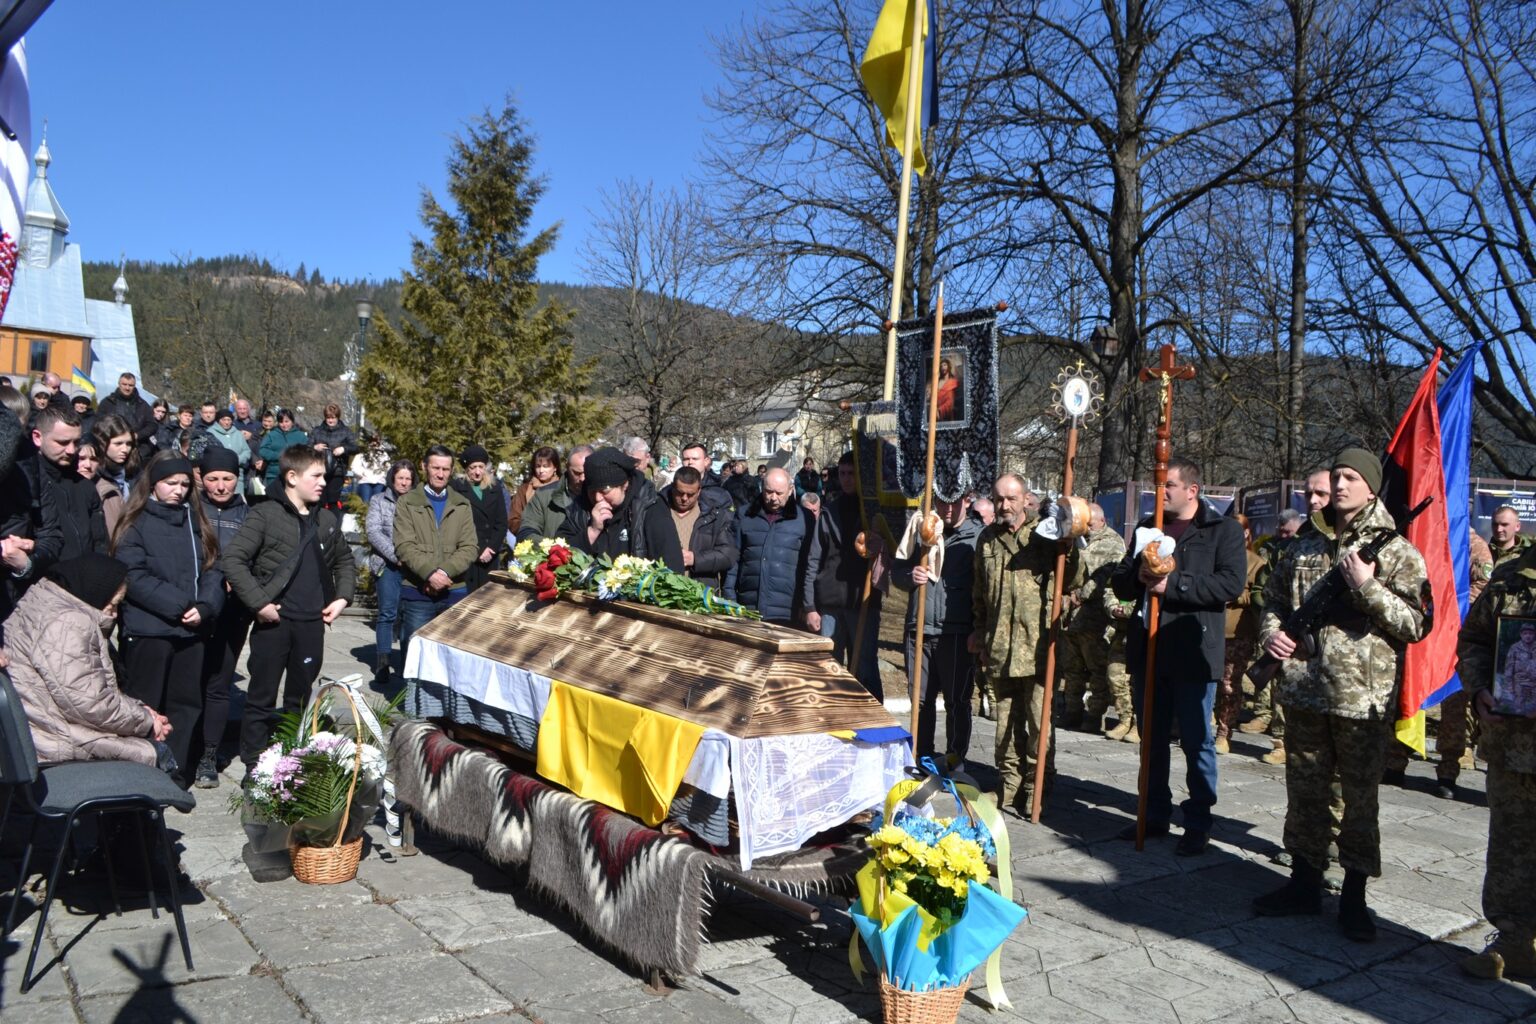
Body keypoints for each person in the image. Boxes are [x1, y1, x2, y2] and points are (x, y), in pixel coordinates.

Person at [1252, 448, 1429, 941]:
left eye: (1352, 477)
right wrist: (1273, 636)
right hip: (1306, 690)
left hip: (1362, 699)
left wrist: (1368, 588)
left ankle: (1353, 896)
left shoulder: (1395, 549)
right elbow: (1273, 601)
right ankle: (1304, 882)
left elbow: (1417, 624)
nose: (1342, 484)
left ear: (1371, 488)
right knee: (1305, 793)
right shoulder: (1305, 543)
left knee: (1359, 800)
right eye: (1337, 475)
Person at [1109, 457, 1245, 855]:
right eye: (1158, 485)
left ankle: (1198, 821)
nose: (1160, 491)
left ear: (1192, 490)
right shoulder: (1147, 528)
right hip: (1150, 648)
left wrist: (1174, 584)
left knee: (1196, 739)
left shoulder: (1222, 531)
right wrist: (1137, 577)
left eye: (1169, 485)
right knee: (1150, 738)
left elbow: (1229, 584)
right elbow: (1121, 580)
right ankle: (1153, 814)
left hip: (1193, 651)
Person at [221, 445, 354, 768]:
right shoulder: (266, 514)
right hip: (274, 624)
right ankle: (255, 765)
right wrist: (259, 603)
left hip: (312, 625)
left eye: (325, 475)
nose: (324, 482)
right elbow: (233, 560)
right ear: (292, 477)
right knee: (261, 698)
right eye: (317, 475)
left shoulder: (326, 519)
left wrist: (341, 597)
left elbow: (345, 561)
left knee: (298, 698)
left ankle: (292, 761)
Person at [112, 452, 225, 787]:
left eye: (184, 484)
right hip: (151, 629)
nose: (178, 490)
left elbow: (214, 569)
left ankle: (173, 771)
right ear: (153, 485)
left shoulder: (195, 521)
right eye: (170, 483)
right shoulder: (136, 521)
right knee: (146, 702)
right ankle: (141, 769)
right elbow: (133, 574)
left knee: (185, 703)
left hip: (191, 631)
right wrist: (181, 606)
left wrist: (206, 606)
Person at [5, 554, 172, 767]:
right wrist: (147, 722)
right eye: (113, 604)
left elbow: (85, 692)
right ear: (95, 594)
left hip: (47, 730)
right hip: (56, 743)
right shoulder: (68, 623)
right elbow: (91, 704)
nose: (113, 614)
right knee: (159, 756)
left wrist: (142, 711)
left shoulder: (44, 598)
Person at [1458, 541, 1536, 980]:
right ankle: (1513, 941)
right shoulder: (1509, 579)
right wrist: (1478, 688)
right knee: (1510, 845)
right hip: (1513, 745)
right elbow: (1473, 641)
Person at [971, 474, 1062, 814]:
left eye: (1011, 498)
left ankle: (1038, 787)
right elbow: (979, 594)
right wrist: (980, 633)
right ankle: (1009, 783)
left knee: (1040, 725)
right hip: (1000, 648)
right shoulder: (987, 540)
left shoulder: (1046, 536)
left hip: (1038, 647)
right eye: (998, 499)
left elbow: (1074, 577)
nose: (1004, 505)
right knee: (1005, 725)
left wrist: (1067, 541)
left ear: (1027, 499)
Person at [894, 492, 981, 765]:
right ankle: (922, 755)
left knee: (957, 700)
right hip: (919, 627)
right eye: (942, 502)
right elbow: (897, 569)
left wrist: (978, 628)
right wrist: (910, 576)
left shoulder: (977, 537)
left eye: (954, 502)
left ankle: (955, 757)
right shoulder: (921, 527)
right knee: (920, 700)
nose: (947, 509)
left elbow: (984, 588)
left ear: (967, 500)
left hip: (955, 630)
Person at [194, 446, 251, 788]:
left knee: (219, 684)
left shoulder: (247, 513)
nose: (220, 486)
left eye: (227, 479)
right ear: (201, 477)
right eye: (213, 478)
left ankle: (208, 756)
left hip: (232, 611)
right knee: (188, 683)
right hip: (193, 609)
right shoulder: (190, 509)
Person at [811, 452, 883, 699]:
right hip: (831, 599)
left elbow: (891, 552)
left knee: (864, 666)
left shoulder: (874, 511)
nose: (846, 479)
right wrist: (810, 604)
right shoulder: (830, 511)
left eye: (851, 474)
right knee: (830, 666)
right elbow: (815, 558)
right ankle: (832, 719)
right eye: (842, 474)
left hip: (862, 600)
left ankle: (873, 724)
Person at [394, 445, 478, 655]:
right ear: (424, 467)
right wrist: (429, 574)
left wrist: (444, 572)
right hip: (417, 594)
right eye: (435, 468)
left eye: (446, 469)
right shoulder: (407, 502)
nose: (440, 474)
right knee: (414, 659)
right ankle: (413, 691)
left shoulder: (462, 504)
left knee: (451, 660)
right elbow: (404, 545)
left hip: (454, 591)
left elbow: (469, 547)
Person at [1059, 502, 1127, 733]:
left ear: (1101, 520)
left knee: (1097, 670)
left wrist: (1080, 592)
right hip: (1070, 618)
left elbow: (1106, 577)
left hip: (1094, 619)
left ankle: (1094, 714)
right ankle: (1072, 711)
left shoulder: (1112, 543)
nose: (1085, 527)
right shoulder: (1075, 539)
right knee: (1072, 669)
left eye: (1089, 523)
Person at [727, 466, 820, 627]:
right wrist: (729, 597)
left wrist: (806, 604)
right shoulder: (745, 515)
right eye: (769, 491)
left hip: (787, 610)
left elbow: (809, 564)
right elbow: (734, 559)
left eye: (779, 493)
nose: (773, 498)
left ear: (791, 490)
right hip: (748, 607)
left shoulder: (804, 520)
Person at [26, 406, 107, 561]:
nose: (71, 450)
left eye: (76, 442)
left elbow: (100, 542)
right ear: (37, 437)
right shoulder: (26, 483)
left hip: (84, 578)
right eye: (62, 442)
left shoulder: (85, 486)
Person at [1215, 514, 1267, 755]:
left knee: (1229, 685)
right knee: (1208, 682)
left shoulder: (1256, 562)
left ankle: (1224, 732)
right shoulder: (1216, 556)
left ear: (1246, 533)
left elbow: (1260, 594)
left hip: (1237, 631)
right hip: (1212, 629)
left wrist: (1234, 595)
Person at [642, 466, 738, 591]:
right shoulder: (657, 511)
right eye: (680, 493)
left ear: (699, 491)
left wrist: (695, 559)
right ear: (672, 487)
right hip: (660, 589)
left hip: (700, 593)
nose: (684, 498)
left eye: (690, 494)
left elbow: (728, 555)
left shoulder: (714, 516)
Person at [558, 445, 659, 559]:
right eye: (592, 491)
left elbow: (670, 565)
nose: (597, 498)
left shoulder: (649, 505)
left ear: (624, 485)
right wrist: (592, 531)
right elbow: (558, 556)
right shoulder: (579, 509)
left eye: (604, 491)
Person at [367, 460, 416, 679]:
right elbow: (374, 532)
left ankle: (407, 661)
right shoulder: (379, 500)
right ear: (393, 479)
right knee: (387, 612)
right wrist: (397, 557)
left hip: (412, 566)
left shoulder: (417, 503)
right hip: (387, 563)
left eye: (408, 479)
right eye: (401, 478)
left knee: (408, 613)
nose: (404, 483)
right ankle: (383, 661)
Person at [452, 443, 511, 593]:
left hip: (489, 555)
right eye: (473, 468)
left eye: (481, 466)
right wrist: (474, 551)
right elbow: (454, 524)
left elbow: (501, 523)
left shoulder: (495, 488)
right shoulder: (456, 488)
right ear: (466, 469)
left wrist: (491, 548)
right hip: (466, 555)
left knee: (487, 598)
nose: (478, 472)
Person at [519, 445, 589, 542]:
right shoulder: (543, 496)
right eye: (577, 473)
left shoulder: (604, 496)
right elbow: (526, 532)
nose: (582, 478)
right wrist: (554, 549)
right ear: (567, 466)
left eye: (587, 472)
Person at [95, 372, 158, 465]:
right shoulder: (107, 403)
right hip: (111, 450)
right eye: (124, 384)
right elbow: (98, 424)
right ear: (119, 384)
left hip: (137, 451)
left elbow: (152, 425)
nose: (127, 388)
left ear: (134, 386)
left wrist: (138, 435)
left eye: (130, 385)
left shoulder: (143, 405)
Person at [309, 404, 359, 509]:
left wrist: (343, 449)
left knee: (333, 501)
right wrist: (315, 447)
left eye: (333, 418)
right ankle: (318, 524)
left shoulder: (346, 431)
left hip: (337, 471)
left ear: (337, 417)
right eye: (328, 417)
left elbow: (355, 447)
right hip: (319, 470)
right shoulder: (317, 430)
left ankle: (333, 524)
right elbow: (306, 447)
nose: (330, 420)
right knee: (318, 501)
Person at [507, 446, 561, 537]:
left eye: (545, 466)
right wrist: (530, 532)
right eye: (538, 466)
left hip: (559, 541)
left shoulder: (563, 487)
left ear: (555, 467)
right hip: (530, 541)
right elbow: (513, 519)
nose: (541, 470)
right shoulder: (524, 489)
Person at [256, 409, 308, 491]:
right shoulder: (272, 435)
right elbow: (263, 450)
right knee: (275, 502)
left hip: (295, 474)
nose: (284, 425)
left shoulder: (301, 436)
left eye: (287, 421)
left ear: (292, 421)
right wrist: (278, 456)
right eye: (281, 422)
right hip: (274, 474)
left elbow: (307, 451)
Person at [203, 406, 254, 489]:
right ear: (218, 420)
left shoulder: (238, 434)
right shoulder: (210, 433)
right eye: (224, 419)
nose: (226, 422)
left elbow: (246, 451)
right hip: (218, 475)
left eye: (229, 420)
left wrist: (237, 459)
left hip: (238, 475)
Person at [678, 442, 732, 512]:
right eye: (686, 459)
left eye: (695, 459)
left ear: (706, 461)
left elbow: (728, 519)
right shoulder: (670, 491)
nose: (690, 462)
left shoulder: (720, 494)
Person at [350, 436, 391, 504]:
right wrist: (361, 474)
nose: (374, 443)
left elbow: (387, 467)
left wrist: (382, 476)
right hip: (365, 481)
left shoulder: (384, 455)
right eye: (372, 441)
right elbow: (354, 466)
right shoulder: (362, 454)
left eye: (376, 442)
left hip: (379, 482)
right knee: (365, 502)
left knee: (377, 503)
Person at [1490, 506, 1529, 571]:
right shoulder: (1484, 552)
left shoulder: (1527, 555)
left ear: (1517, 526)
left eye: (1504, 524)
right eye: (1495, 524)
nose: (1499, 529)